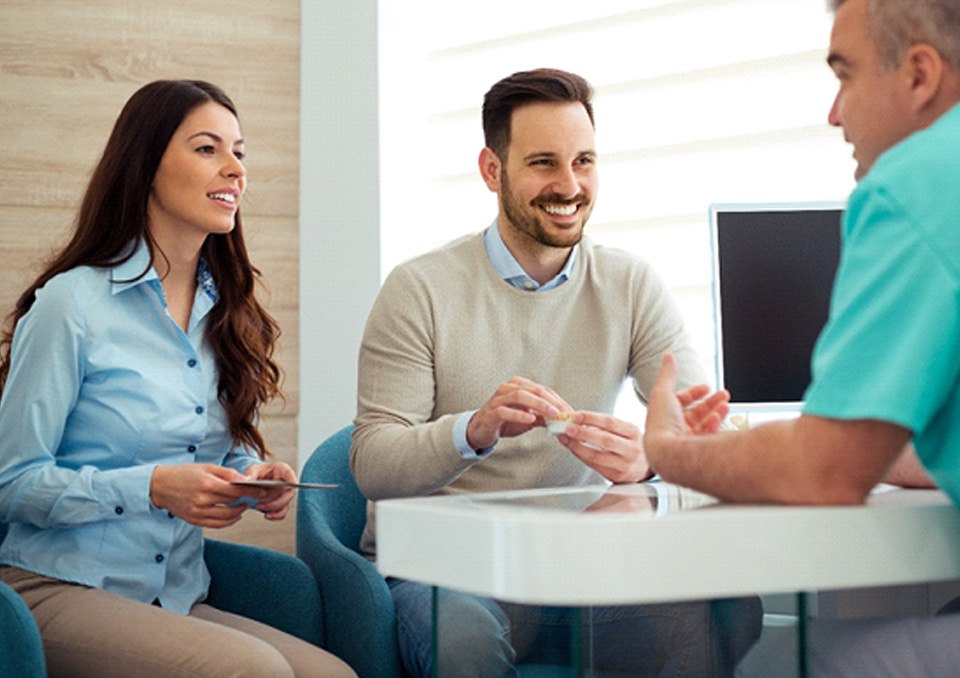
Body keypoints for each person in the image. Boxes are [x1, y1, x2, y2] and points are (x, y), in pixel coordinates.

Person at [352, 68, 761, 677]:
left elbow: (708, 430)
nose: (569, 185)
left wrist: (654, 457)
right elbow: (372, 463)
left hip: (577, 571)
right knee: (464, 642)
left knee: (726, 608)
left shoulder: (630, 284)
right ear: (493, 171)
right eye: (543, 162)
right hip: (454, 571)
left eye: (584, 161)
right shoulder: (420, 289)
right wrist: (474, 430)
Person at [643, 0, 960, 674]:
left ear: (920, 75)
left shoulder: (920, 180)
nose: (833, 113)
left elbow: (826, 473)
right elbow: (894, 454)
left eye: (844, 76)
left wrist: (667, 452)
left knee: (773, 665)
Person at [0, 80, 355, 677]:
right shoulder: (72, 305)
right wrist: (154, 487)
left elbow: (213, 448)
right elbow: (12, 482)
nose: (235, 168)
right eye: (207, 148)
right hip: (55, 586)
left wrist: (251, 476)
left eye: (239, 151)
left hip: (175, 593)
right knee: (256, 672)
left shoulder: (228, 311)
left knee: (333, 675)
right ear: (146, 166)